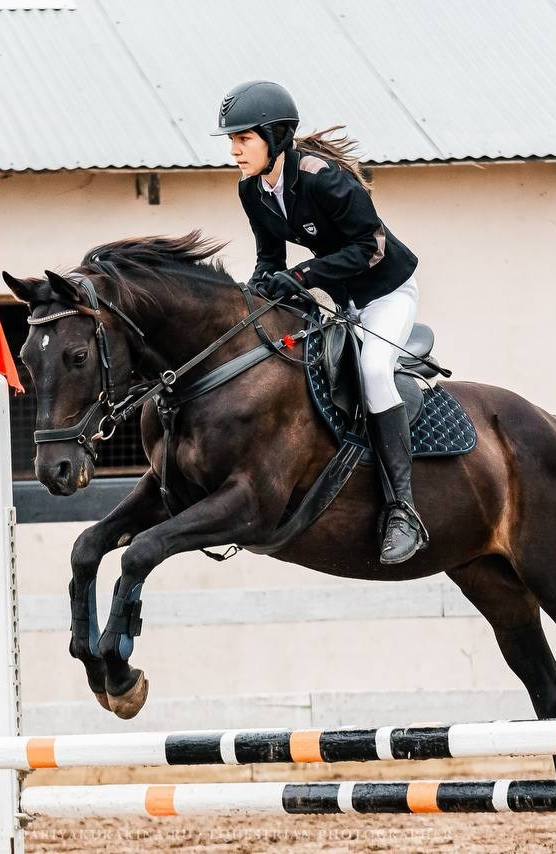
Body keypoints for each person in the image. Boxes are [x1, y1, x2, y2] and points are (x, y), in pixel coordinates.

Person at [211, 79, 428, 565]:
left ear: (275, 136)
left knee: (373, 371)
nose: (234, 151)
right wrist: (254, 297)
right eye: (232, 140)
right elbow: (269, 259)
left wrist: (303, 275)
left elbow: (370, 248)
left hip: (386, 293)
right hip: (340, 299)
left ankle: (403, 509)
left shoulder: (322, 178)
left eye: (243, 139)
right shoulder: (252, 189)